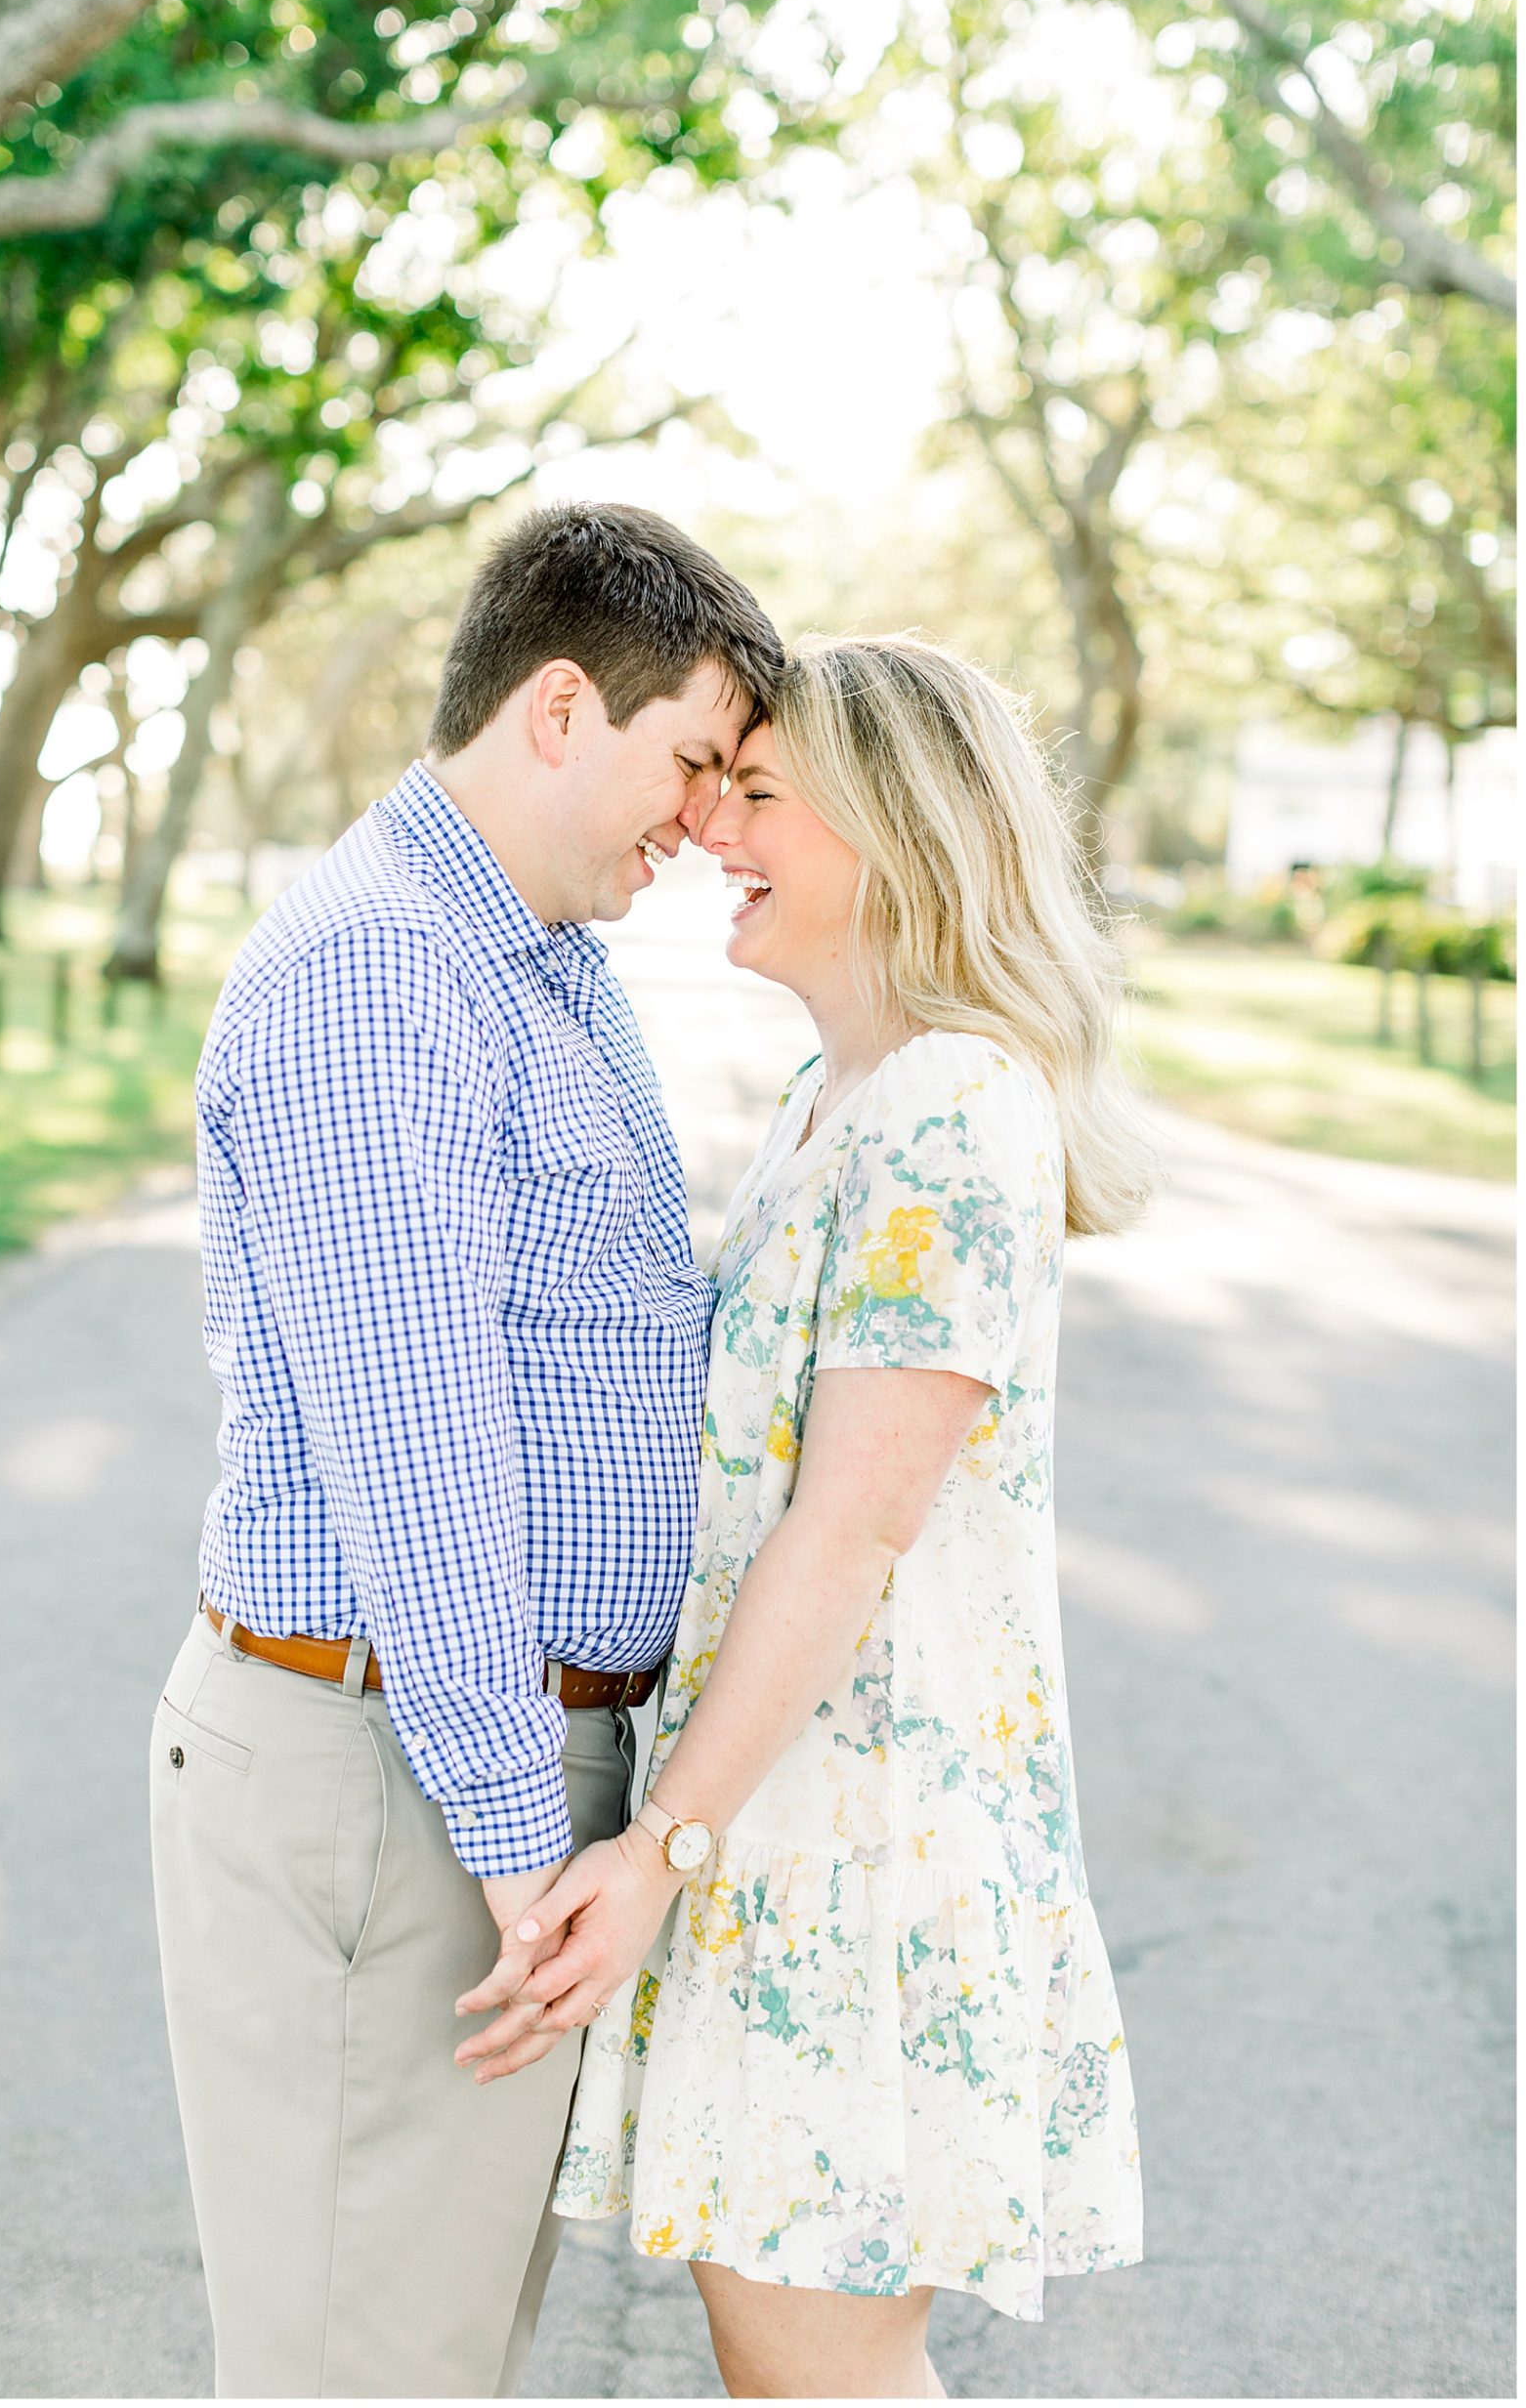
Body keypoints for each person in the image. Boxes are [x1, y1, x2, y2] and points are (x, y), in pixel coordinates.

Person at [454, 632, 1157, 2399]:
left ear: (899, 834)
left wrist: (656, 1848)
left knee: (820, 2376)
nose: (708, 829)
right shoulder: (832, 1097)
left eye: (760, 795)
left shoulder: (948, 1109)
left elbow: (847, 1532)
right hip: (783, 1826)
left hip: (863, 1852)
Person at [148, 501, 784, 2398]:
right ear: (560, 705)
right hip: (399, 1782)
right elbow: (415, 1465)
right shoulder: (377, 974)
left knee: (428, 2350)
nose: (695, 818)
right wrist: (525, 1854)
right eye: (687, 758)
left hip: (471, 1769)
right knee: (366, 2365)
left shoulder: (523, 958)